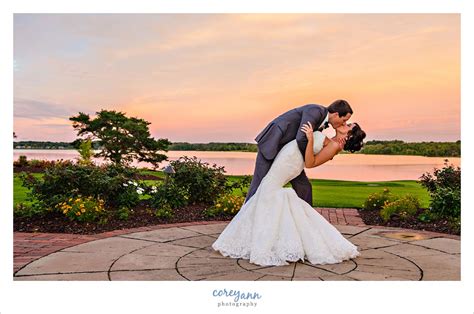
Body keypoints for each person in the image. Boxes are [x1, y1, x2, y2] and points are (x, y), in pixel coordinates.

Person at [212, 119, 366, 266]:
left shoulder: (334, 147)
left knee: (266, 191)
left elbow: (310, 163)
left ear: (349, 135)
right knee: (266, 191)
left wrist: (311, 138)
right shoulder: (330, 139)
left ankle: (261, 244)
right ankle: (267, 239)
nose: (345, 124)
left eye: (348, 126)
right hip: (288, 156)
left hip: (291, 163)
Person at [245, 100, 353, 207]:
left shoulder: (322, 122)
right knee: (258, 184)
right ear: (336, 114)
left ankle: (306, 219)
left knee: (304, 188)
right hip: (273, 143)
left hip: (289, 155)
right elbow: (301, 137)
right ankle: (246, 216)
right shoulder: (316, 111)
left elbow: (315, 143)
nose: (343, 123)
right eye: (344, 120)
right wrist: (308, 158)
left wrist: (334, 149)